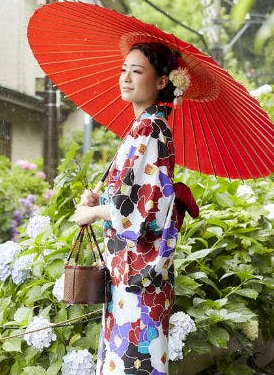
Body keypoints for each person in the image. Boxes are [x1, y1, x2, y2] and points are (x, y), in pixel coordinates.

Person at [71, 42, 184, 375]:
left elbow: (144, 209)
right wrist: (100, 199)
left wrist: (94, 213)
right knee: (126, 360)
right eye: (124, 70)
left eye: (137, 71)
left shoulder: (151, 129)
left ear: (162, 81)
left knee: (134, 363)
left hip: (139, 274)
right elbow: (129, 197)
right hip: (129, 272)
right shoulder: (142, 128)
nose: (126, 78)